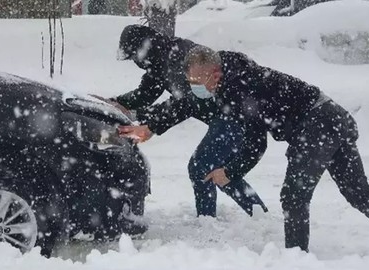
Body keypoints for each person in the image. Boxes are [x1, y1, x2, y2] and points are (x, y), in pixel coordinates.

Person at [179, 46, 369, 253]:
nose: (195, 86)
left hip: (316, 126)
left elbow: (256, 145)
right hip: (333, 116)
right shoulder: (236, 75)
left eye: (197, 81)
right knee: (358, 192)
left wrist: (229, 172)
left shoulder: (240, 88)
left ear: (215, 74)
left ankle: (295, 259)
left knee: (294, 196)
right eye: (190, 80)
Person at [102, 25, 269, 217]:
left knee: (201, 166)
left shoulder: (177, 57)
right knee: (218, 170)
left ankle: (207, 220)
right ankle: (258, 214)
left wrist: (151, 125)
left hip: (232, 114)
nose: (135, 61)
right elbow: (145, 94)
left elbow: (184, 103)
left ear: (143, 50)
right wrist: (118, 102)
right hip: (223, 116)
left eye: (133, 56)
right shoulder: (158, 62)